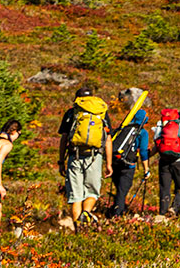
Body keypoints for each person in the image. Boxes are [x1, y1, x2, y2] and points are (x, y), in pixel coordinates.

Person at [57, 86, 112, 230]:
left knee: (76, 196)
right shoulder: (101, 112)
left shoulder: (71, 113)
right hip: (95, 156)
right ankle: (86, 214)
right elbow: (108, 140)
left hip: (74, 156)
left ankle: (78, 229)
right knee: (92, 192)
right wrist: (109, 164)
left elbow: (64, 139)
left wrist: (61, 161)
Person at [109, 93, 153, 217]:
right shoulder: (142, 133)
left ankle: (116, 209)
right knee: (123, 190)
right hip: (128, 165)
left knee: (119, 189)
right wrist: (146, 169)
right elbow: (143, 152)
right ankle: (117, 215)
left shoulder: (123, 128)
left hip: (115, 161)